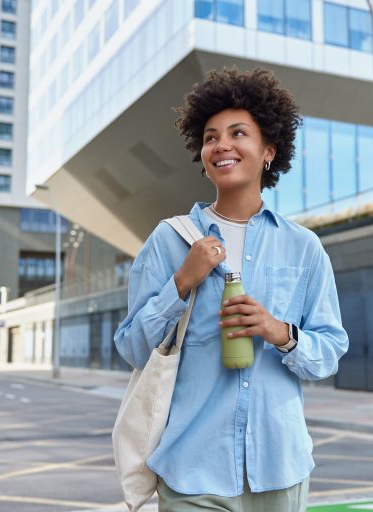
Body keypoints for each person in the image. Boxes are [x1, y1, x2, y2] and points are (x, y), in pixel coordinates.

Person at [114, 67, 349, 511]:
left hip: (281, 468)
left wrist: (280, 332)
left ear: (268, 152)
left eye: (238, 133)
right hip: (192, 468)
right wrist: (182, 282)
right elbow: (131, 348)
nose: (221, 145)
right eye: (210, 137)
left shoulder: (304, 247)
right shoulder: (169, 239)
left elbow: (330, 351)